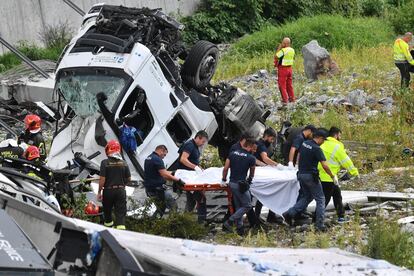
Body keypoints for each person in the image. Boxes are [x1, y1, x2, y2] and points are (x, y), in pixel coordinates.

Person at [282, 129, 336, 231]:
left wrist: (298, 166)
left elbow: (300, 155)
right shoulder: (317, 149)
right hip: (311, 176)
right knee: (320, 199)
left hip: (301, 174)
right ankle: (319, 225)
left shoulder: (305, 143)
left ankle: (289, 213)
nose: (323, 142)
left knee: (307, 196)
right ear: (320, 138)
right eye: (323, 140)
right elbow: (325, 165)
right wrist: (332, 176)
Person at [318, 127, 359, 223]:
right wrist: (354, 172)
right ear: (336, 135)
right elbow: (346, 161)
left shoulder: (322, 143)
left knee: (337, 195)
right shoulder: (337, 146)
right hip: (329, 176)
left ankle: (341, 216)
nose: (340, 137)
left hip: (320, 175)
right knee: (326, 199)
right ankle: (317, 218)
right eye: (340, 135)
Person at [222, 138, 256, 235]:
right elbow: (252, 172)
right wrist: (249, 180)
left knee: (238, 206)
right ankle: (229, 221)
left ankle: (240, 229)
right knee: (247, 205)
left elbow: (225, 168)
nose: (253, 150)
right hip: (241, 185)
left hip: (232, 183)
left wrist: (223, 179)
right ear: (249, 146)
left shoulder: (232, 153)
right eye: (253, 148)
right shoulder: (251, 158)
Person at [144, 145, 185, 218]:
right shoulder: (157, 159)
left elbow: (161, 172)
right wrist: (178, 180)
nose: (164, 156)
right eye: (164, 154)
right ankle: (172, 224)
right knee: (173, 206)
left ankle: (154, 224)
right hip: (158, 189)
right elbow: (164, 175)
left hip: (150, 189)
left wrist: (173, 173)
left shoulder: (148, 158)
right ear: (161, 150)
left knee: (161, 208)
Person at [97, 140, 130, 230]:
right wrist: (122, 184)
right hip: (121, 191)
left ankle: (108, 231)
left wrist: (99, 192)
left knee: (107, 212)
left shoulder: (104, 163)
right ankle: (121, 234)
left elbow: (102, 179)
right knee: (120, 214)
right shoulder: (124, 162)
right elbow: (129, 179)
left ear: (109, 149)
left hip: (108, 191)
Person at [178, 130, 209, 222]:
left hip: (191, 176)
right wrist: (195, 167)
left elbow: (192, 160)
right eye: (203, 141)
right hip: (187, 177)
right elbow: (183, 159)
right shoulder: (190, 145)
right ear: (198, 137)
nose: (203, 144)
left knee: (191, 201)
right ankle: (202, 222)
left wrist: (199, 168)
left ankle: (184, 221)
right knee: (201, 198)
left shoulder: (194, 147)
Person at [275, 37, 295, 104]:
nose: (282, 43)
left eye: (283, 42)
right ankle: (292, 99)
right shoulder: (292, 50)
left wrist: (279, 47)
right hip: (290, 69)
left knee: (282, 85)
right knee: (289, 85)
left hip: (283, 69)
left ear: (286, 43)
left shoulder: (283, 50)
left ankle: (285, 100)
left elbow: (276, 56)